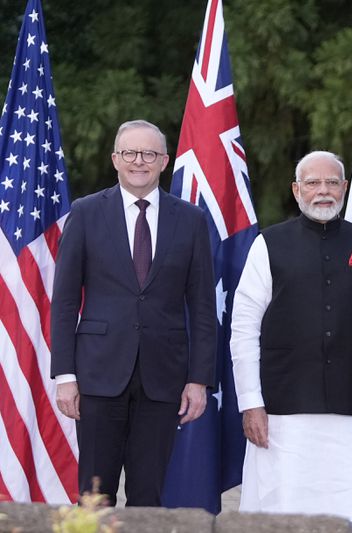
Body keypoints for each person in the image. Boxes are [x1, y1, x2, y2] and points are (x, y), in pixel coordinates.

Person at [229, 150, 352, 531]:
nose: (322, 191)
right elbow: (243, 328)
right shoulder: (268, 245)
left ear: (344, 187)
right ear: (296, 190)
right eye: (312, 183)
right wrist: (251, 402)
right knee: (281, 510)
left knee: (348, 510)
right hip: (281, 410)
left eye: (331, 182)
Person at [50, 120, 217, 506]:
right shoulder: (87, 212)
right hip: (97, 376)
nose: (138, 161)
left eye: (148, 154)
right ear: (115, 159)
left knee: (148, 495)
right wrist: (66, 375)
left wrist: (198, 380)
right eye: (129, 153)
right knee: (94, 496)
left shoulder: (190, 220)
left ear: (164, 161)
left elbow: (204, 307)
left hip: (163, 379)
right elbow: (65, 301)